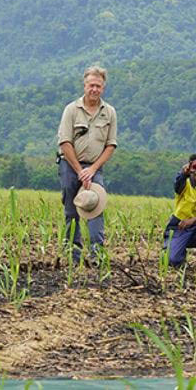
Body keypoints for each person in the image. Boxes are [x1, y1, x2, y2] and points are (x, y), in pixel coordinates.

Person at [56, 65, 118, 261]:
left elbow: (110, 145)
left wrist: (91, 170)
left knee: (95, 207)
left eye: (98, 86)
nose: (94, 89)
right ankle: (73, 254)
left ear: (103, 88)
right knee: (71, 209)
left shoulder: (109, 112)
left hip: (94, 167)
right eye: (91, 85)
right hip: (69, 165)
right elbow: (65, 142)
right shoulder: (71, 110)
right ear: (84, 85)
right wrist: (79, 171)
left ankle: (96, 255)